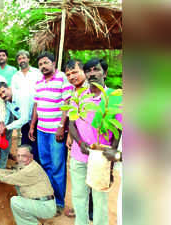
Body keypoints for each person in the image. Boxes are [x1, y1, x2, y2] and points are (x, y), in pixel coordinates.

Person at [68, 58, 122, 225]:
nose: (92, 73)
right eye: (88, 70)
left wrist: (111, 160)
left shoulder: (114, 97)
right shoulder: (78, 96)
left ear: (104, 73)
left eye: (96, 69)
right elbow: (71, 123)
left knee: (99, 199)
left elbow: (118, 129)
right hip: (79, 155)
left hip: (101, 158)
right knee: (78, 196)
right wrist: (79, 142)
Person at [29, 51, 73, 215]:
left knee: (57, 167)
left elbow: (67, 103)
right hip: (41, 131)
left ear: (54, 63)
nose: (43, 66)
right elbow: (36, 105)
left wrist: (62, 126)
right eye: (40, 64)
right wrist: (33, 124)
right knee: (46, 165)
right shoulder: (39, 82)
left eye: (46, 62)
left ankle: (60, 202)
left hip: (56, 132)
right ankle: (49, 198)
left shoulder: (62, 78)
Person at [0, 145, 56, 225]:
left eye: (24, 156)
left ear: (31, 156)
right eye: (18, 155)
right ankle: (33, 219)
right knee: (18, 187)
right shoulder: (28, 165)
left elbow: (8, 178)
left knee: (15, 201)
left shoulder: (30, 170)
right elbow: (14, 173)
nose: (20, 158)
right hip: (42, 203)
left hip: (45, 207)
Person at [63, 59, 92, 219]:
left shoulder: (93, 91)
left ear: (83, 71)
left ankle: (89, 213)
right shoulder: (75, 92)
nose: (71, 76)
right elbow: (74, 118)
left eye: (74, 72)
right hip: (78, 147)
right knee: (80, 186)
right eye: (68, 74)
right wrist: (70, 136)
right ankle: (82, 213)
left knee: (94, 184)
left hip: (93, 147)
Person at [11, 50, 42, 161]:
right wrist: (17, 113)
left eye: (24, 58)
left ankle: (37, 165)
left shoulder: (38, 73)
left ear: (28, 59)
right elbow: (14, 97)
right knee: (25, 141)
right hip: (23, 115)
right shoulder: (15, 76)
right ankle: (25, 166)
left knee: (36, 141)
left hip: (38, 113)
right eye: (19, 59)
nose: (22, 60)